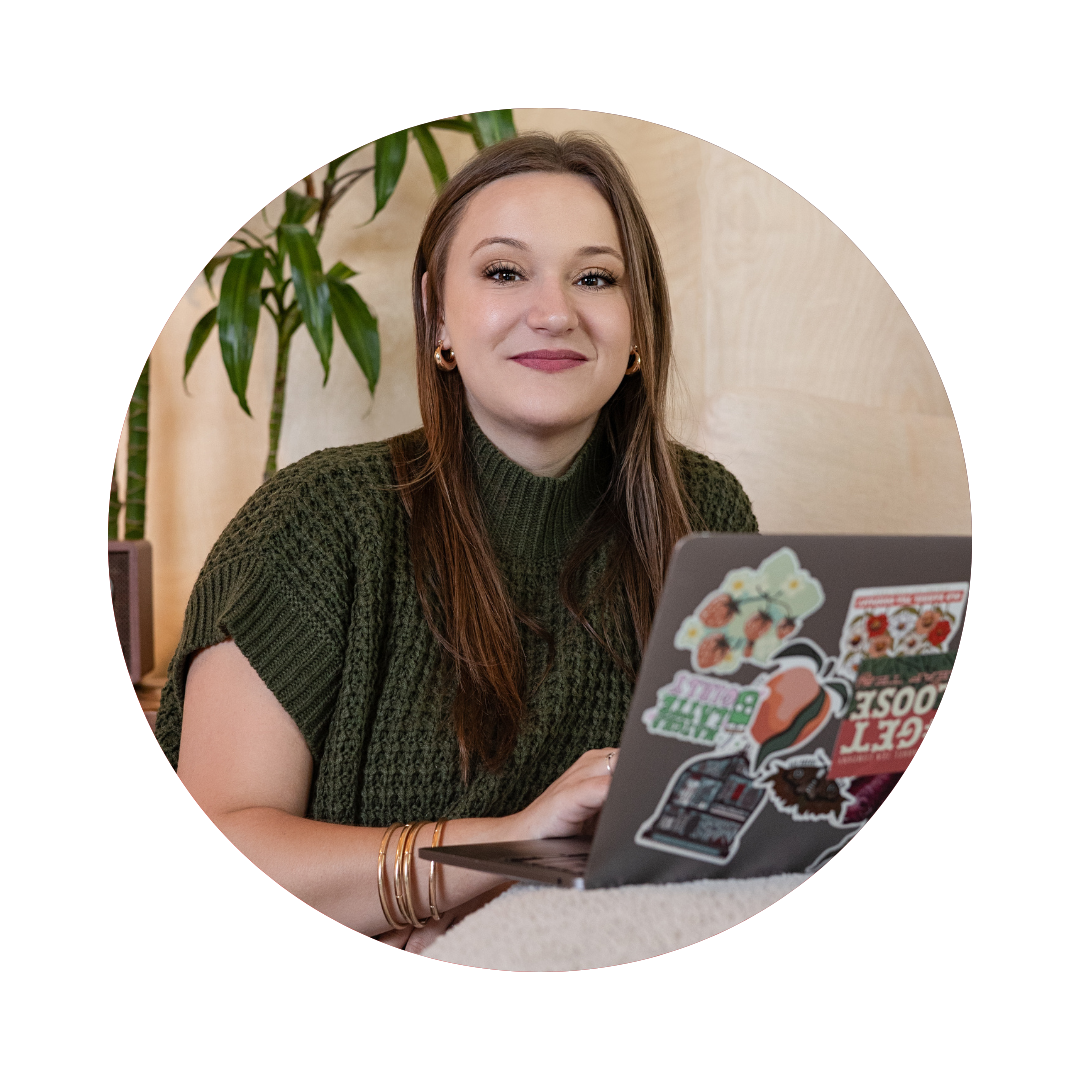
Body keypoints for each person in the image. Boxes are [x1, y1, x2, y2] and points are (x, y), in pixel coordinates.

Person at [156, 131, 758, 950]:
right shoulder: (314, 522)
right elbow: (230, 833)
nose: (554, 311)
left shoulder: (708, 510)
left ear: (638, 325)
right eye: (505, 271)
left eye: (596, 277)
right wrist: (513, 846)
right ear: (439, 311)